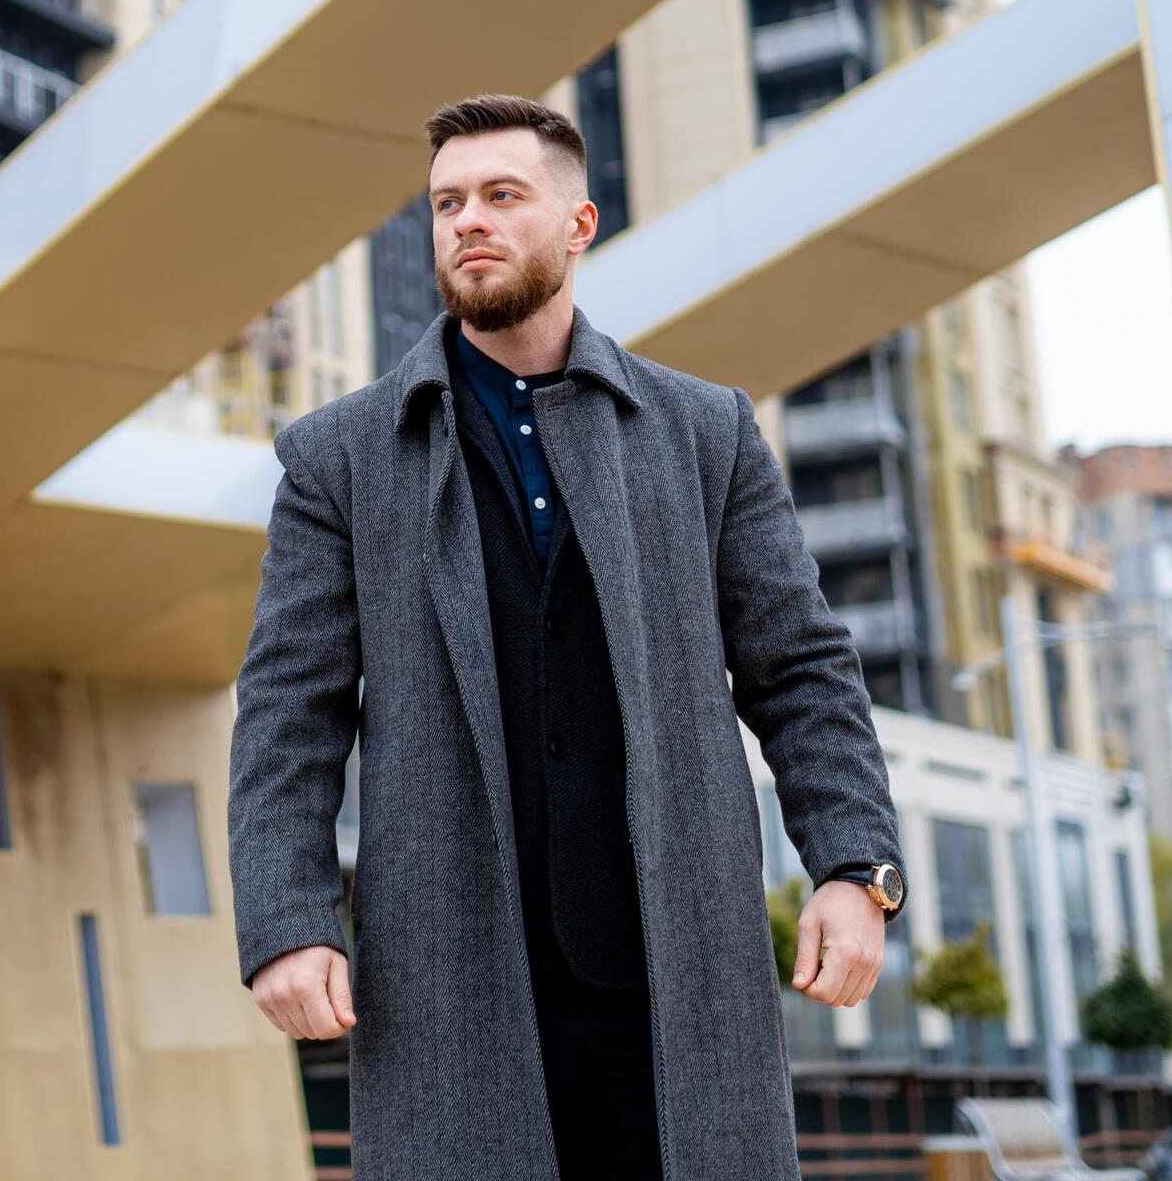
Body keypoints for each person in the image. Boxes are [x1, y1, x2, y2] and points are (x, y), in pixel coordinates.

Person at [228, 94, 907, 1180]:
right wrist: (285, 918)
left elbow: (802, 667)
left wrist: (854, 866)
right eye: (448, 202)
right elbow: (286, 713)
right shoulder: (338, 458)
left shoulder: (705, 432)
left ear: (579, 224)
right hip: (451, 982)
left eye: (502, 196)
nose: (468, 222)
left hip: (678, 975)